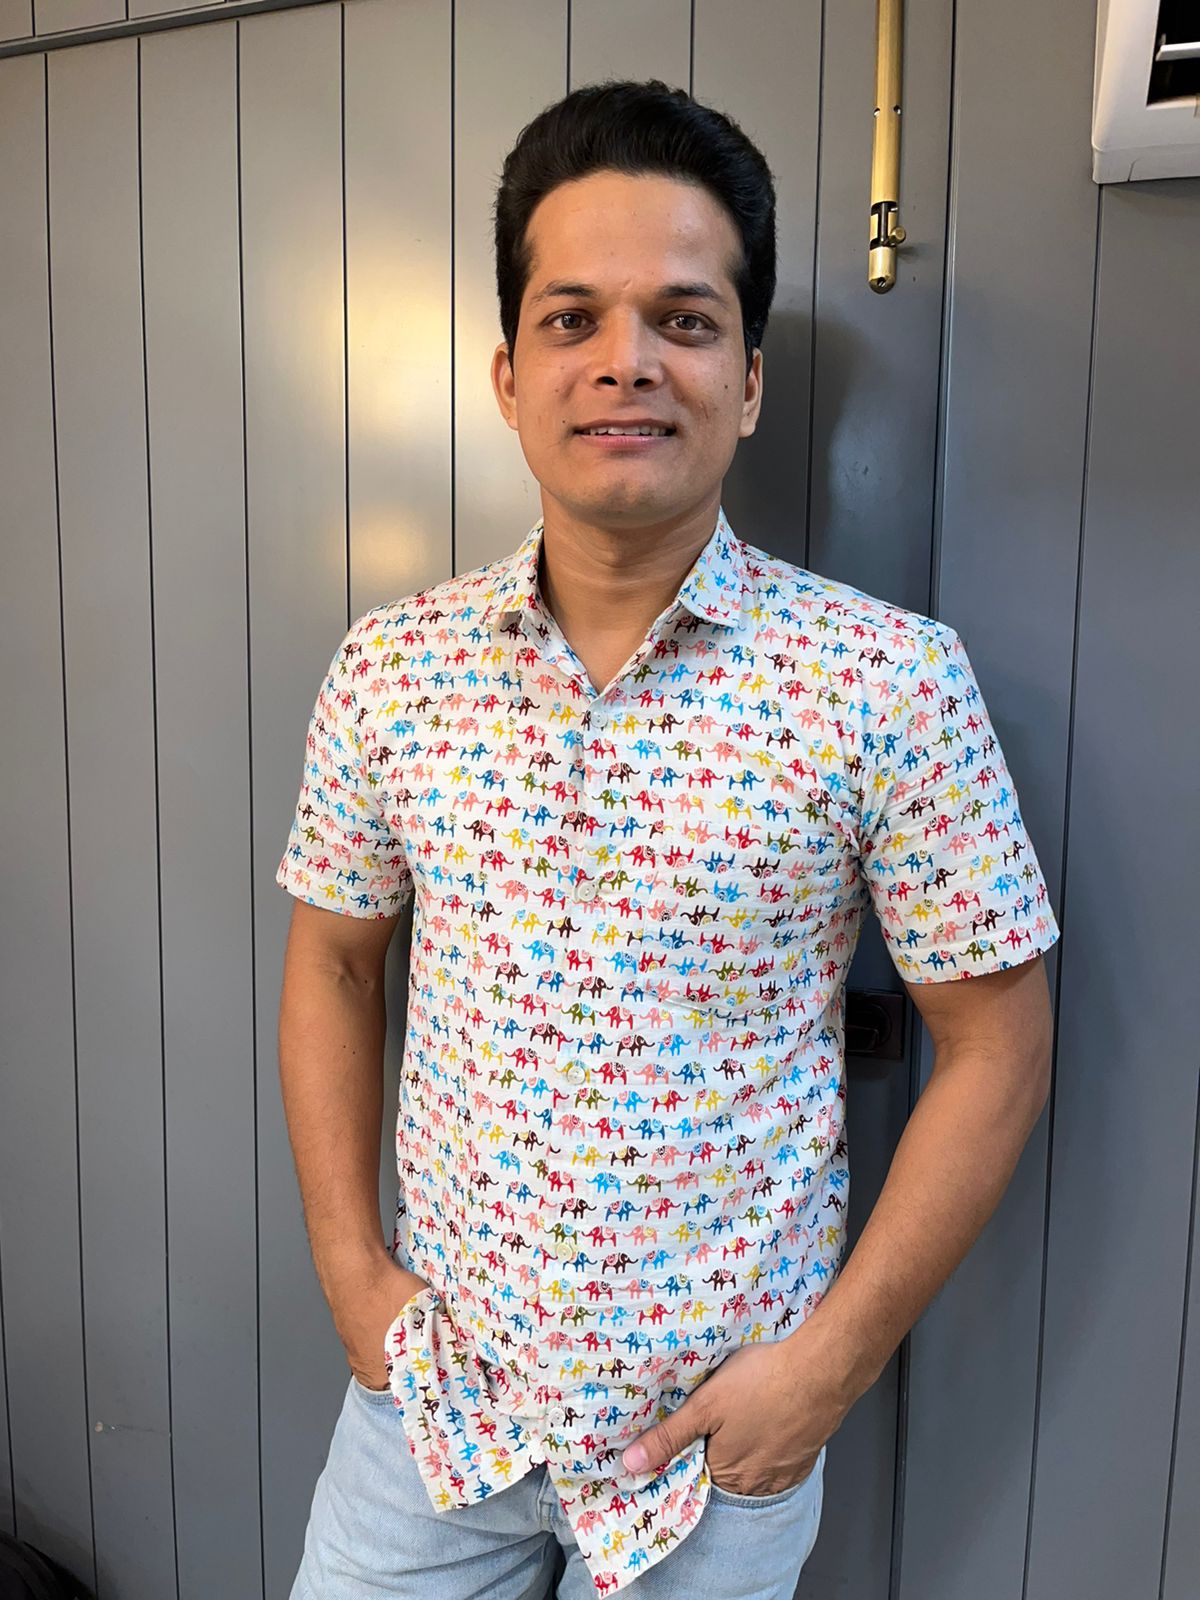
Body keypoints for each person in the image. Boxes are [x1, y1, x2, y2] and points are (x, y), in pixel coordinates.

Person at [277, 78, 1061, 1600]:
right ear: (508, 374)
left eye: (684, 321)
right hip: (431, 1416)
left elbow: (999, 1042)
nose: (625, 361)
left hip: (712, 1460)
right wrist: (351, 1274)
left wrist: (824, 1376)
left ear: (750, 381)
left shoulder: (886, 682)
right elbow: (335, 964)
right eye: (572, 318)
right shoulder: (391, 670)